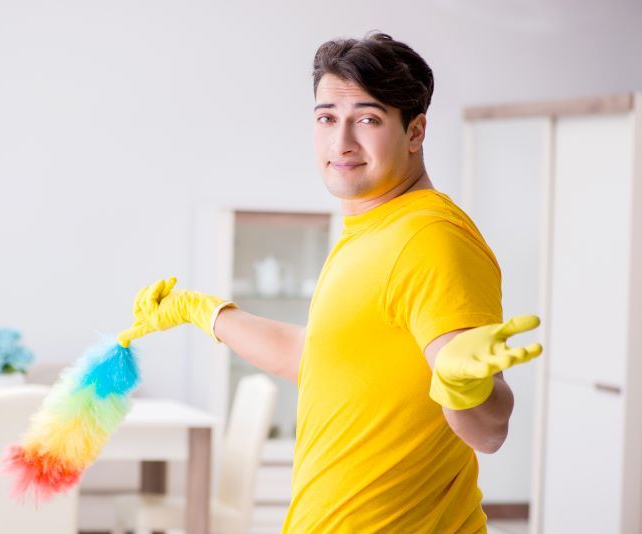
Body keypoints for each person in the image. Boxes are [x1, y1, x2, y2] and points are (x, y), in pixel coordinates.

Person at [117, 31, 542, 533]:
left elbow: (490, 430)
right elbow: (321, 358)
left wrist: (463, 388)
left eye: (367, 119)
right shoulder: (371, 229)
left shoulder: (430, 238)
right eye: (326, 118)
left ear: (415, 132)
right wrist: (204, 312)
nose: (341, 142)